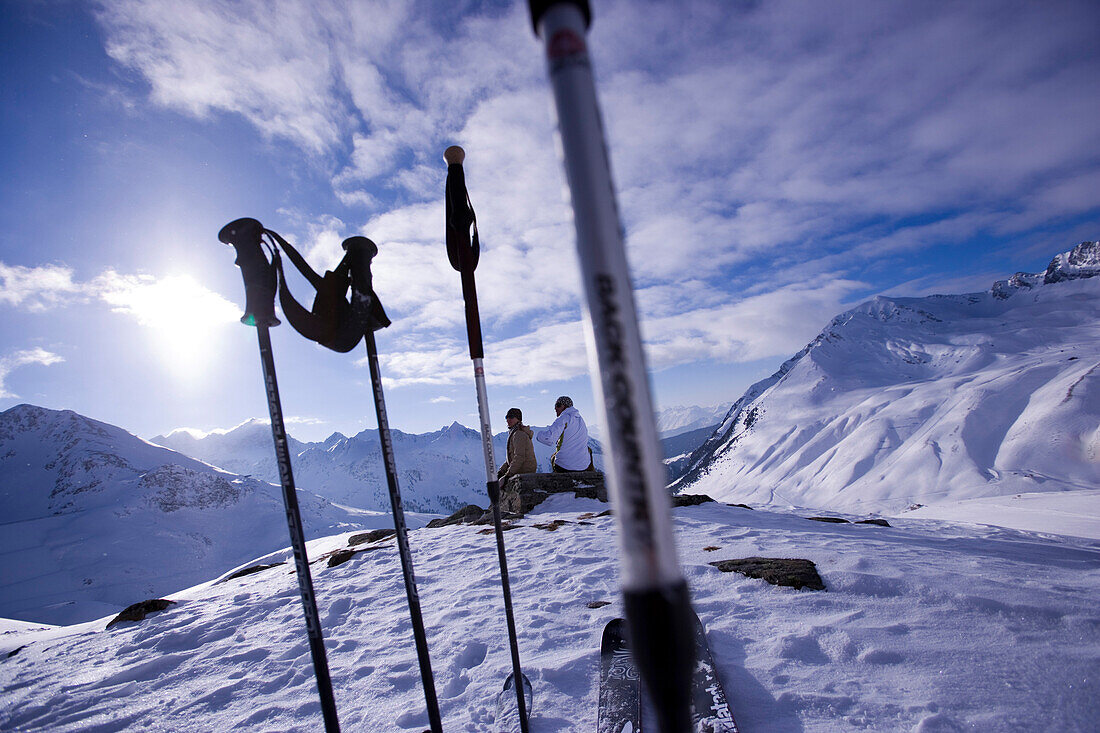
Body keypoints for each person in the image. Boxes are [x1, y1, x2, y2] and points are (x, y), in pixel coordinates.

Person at [536, 396, 594, 472]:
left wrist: (538, 434)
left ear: (564, 406)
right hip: (584, 465)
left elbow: (549, 439)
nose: (555, 409)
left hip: (566, 466)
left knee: (554, 457)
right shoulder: (580, 419)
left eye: (557, 405)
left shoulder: (563, 418)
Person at [497, 407, 537, 482]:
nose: (508, 419)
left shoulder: (519, 434)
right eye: (507, 417)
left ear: (518, 419)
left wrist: (508, 475)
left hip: (524, 471)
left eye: (511, 417)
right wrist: (501, 471)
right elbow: (511, 458)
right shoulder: (514, 433)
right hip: (520, 470)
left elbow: (519, 457)